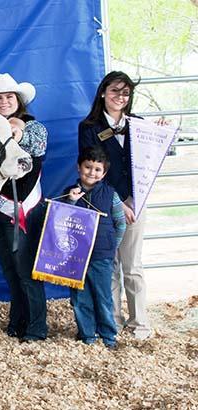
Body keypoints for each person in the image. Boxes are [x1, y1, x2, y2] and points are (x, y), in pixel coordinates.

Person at [78, 71, 154, 340]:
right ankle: (113, 321)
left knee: (133, 265)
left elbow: (150, 162)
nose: (120, 97)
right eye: (115, 91)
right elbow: (93, 170)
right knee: (108, 265)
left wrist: (163, 134)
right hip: (104, 204)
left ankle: (140, 324)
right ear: (103, 93)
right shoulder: (89, 128)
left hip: (137, 202)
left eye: (125, 93)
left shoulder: (140, 125)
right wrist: (118, 203)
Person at [0, 73, 48, 342]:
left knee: (28, 273)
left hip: (25, 212)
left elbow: (30, 147)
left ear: (19, 101)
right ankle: (18, 320)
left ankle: (37, 327)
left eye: (9, 97)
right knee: (10, 271)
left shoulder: (35, 128)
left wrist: (15, 130)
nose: (4, 101)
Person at [63, 146, 126, 348]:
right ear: (78, 168)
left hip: (102, 256)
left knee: (103, 296)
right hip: (76, 257)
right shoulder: (68, 194)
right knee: (80, 298)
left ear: (104, 173)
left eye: (97, 169)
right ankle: (87, 335)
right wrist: (71, 201)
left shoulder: (111, 194)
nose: (92, 172)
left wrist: (111, 246)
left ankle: (108, 335)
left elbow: (121, 223)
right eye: (88, 167)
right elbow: (60, 221)